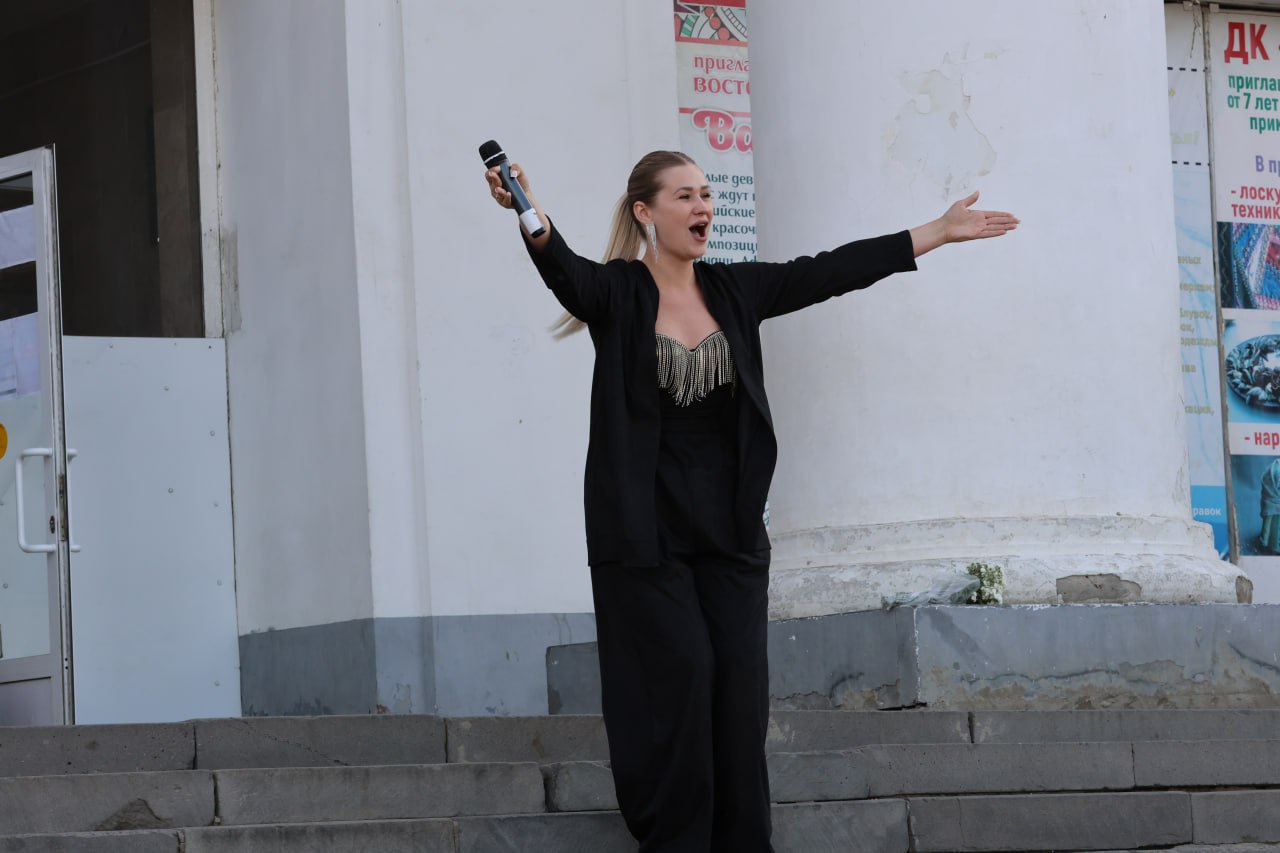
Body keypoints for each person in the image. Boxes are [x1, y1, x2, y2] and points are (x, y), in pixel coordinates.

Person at [484, 151, 1017, 852]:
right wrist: (529, 212)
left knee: (739, 693)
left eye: (707, 194)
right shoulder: (617, 293)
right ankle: (678, 837)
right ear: (646, 212)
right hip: (645, 537)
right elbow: (565, 270)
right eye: (685, 196)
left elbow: (829, 270)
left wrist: (936, 232)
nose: (703, 206)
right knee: (685, 671)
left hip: (730, 533)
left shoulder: (734, 290)